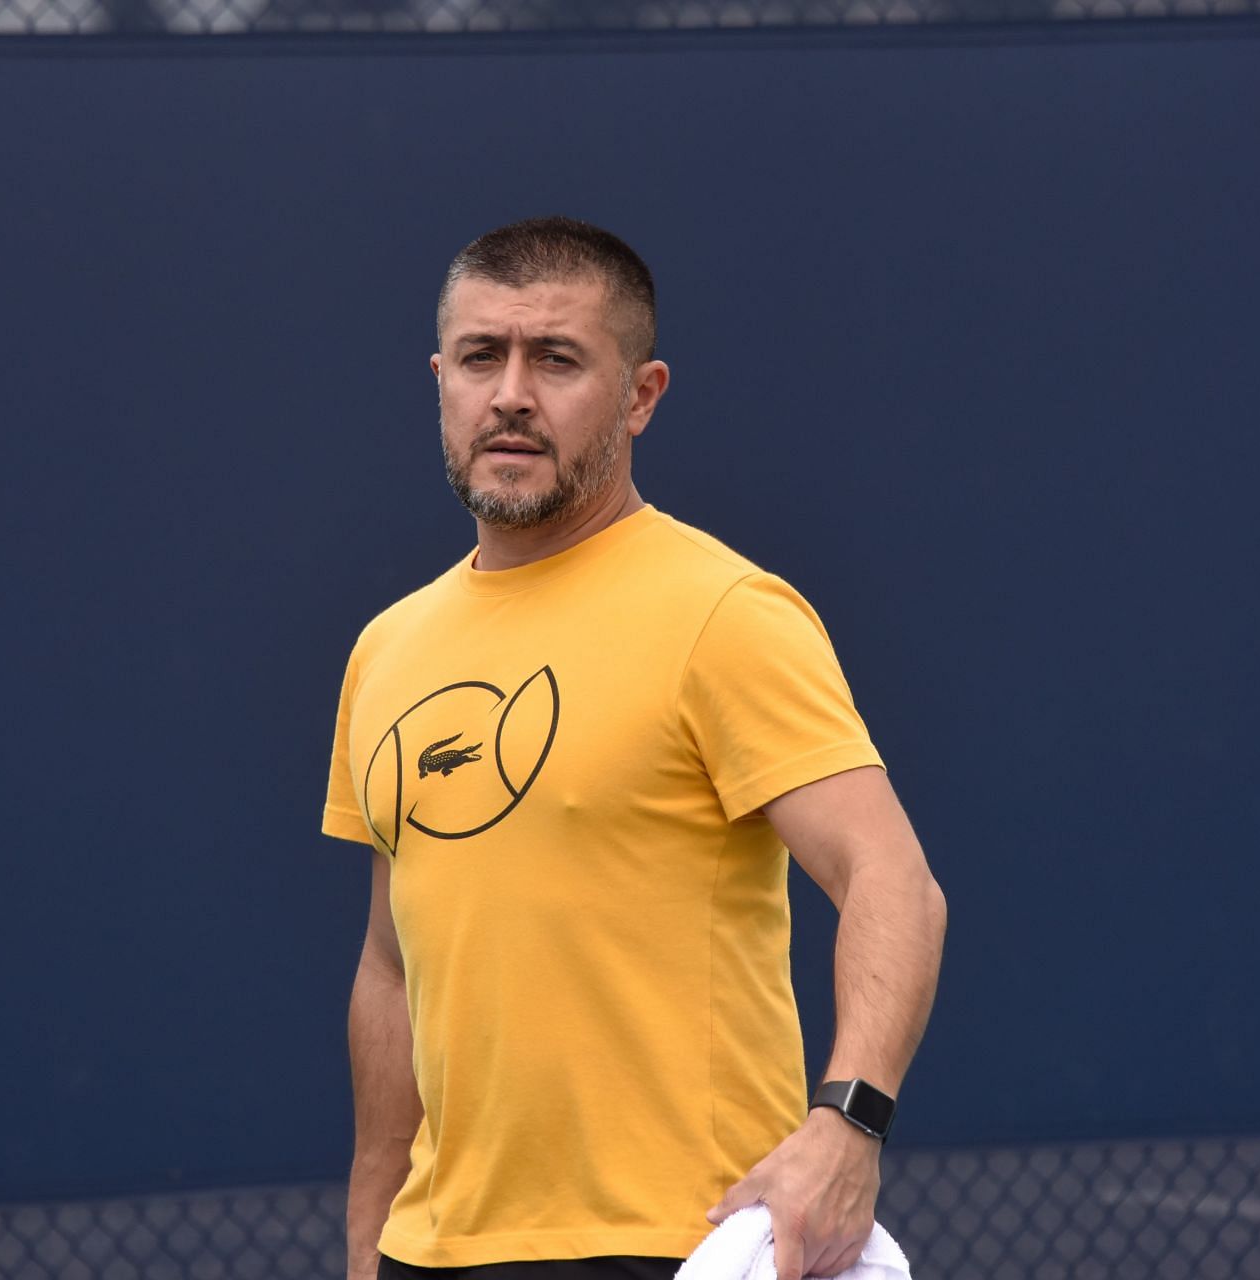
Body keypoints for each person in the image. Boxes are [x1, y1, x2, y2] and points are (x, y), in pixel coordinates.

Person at [322, 217, 946, 1280]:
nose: (511, 393)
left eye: (556, 358)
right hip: (434, 1250)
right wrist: (370, 1236)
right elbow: (391, 968)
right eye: (482, 357)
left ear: (641, 395)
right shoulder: (387, 647)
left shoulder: (724, 611)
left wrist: (849, 1123)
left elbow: (892, 877)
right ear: (441, 381)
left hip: (672, 1238)